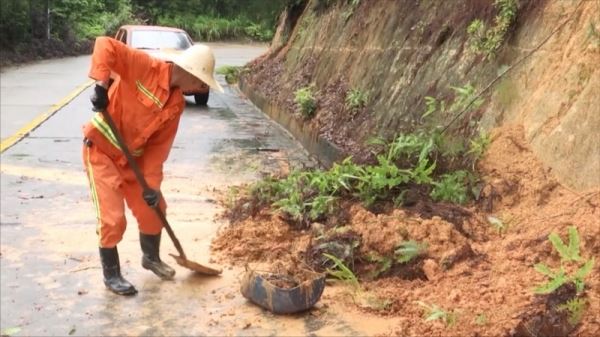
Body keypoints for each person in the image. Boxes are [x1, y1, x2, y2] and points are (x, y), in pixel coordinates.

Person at [82, 36, 224, 296]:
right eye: (202, 81)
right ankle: (111, 274)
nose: (202, 87)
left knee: (154, 207)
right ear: (187, 71)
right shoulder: (144, 66)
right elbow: (105, 44)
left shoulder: (176, 104)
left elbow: (158, 150)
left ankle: (150, 258)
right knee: (112, 218)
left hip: (133, 159)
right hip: (101, 150)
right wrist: (102, 85)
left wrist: (151, 188)